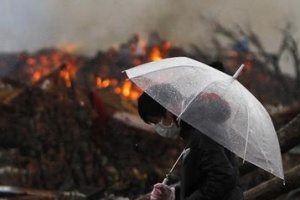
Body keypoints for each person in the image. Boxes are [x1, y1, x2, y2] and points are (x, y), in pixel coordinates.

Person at [136, 62, 244, 200]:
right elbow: (203, 179)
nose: (159, 127)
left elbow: (221, 177)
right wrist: (174, 194)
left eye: (157, 121)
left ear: (168, 108)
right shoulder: (194, 129)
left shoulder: (202, 129)